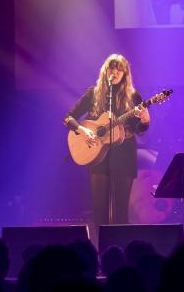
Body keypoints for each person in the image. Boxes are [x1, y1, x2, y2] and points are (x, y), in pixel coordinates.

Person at [63, 54, 150, 245]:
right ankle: (102, 253)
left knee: (120, 211)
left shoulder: (133, 97)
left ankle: (121, 252)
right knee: (99, 209)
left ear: (125, 73)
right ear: (106, 71)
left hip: (124, 156)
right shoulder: (93, 94)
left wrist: (145, 121)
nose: (115, 72)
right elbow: (68, 118)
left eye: (120, 69)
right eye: (112, 68)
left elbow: (139, 130)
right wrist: (83, 130)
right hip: (98, 157)